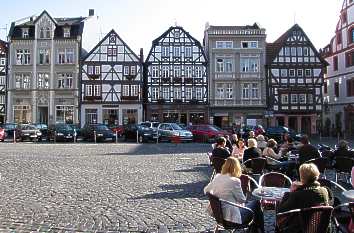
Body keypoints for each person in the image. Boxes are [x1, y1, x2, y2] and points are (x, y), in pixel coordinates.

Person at [204, 157, 265, 233]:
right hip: (231, 218)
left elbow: (206, 190)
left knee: (254, 206)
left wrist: (218, 194)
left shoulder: (217, 176)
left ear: (225, 166)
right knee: (257, 203)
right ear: (237, 168)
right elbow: (242, 200)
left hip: (218, 214)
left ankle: (256, 229)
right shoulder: (235, 181)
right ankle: (260, 229)